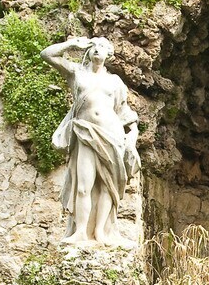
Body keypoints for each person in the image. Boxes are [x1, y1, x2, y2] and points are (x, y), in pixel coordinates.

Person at [41, 36, 140, 246]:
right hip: (85, 133)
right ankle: (80, 232)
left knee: (107, 187)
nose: (97, 49)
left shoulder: (115, 82)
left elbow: (125, 114)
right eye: (94, 45)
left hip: (111, 134)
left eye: (103, 46)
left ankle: (100, 232)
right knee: (83, 186)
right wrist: (71, 45)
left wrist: (132, 136)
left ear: (109, 54)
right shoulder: (77, 73)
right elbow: (47, 55)